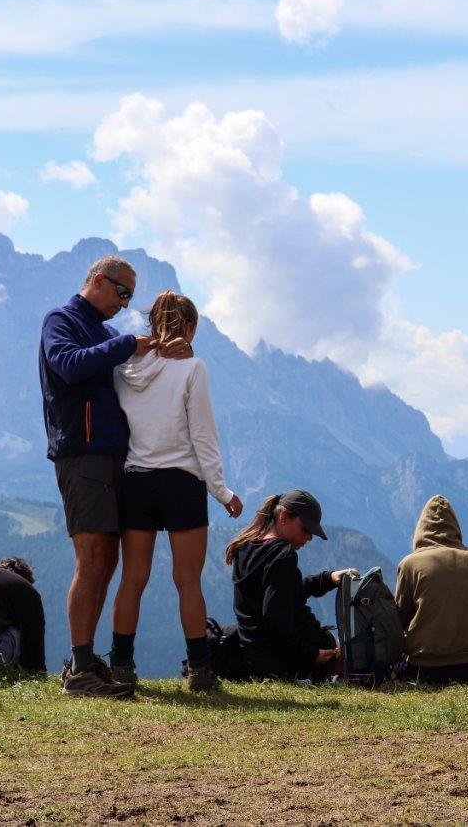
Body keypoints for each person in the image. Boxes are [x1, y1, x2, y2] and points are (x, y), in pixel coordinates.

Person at [40, 254, 191, 698]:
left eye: (130, 297)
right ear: (99, 281)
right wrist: (129, 344)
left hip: (110, 458)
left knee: (106, 561)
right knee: (91, 560)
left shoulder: (106, 332)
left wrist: (167, 353)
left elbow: (134, 374)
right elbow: (68, 364)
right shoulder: (61, 319)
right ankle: (80, 669)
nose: (125, 304)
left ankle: (85, 662)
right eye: (122, 293)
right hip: (82, 454)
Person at [108, 291, 244, 692]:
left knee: (132, 578)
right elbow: (203, 435)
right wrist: (222, 491)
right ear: (187, 328)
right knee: (188, 581)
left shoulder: (124, 369)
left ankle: (120, 666)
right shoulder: (193, 369)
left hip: (136, 479)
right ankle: (200, 671)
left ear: (152, 325)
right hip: (181, 481)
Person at [225, 490, 357, 681]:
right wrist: (311, 654)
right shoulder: (282, 555)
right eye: (305, 529)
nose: (309, 537)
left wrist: (327, 579)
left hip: (254, 654)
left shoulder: (245, 548)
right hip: (284, 658)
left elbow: (283, 593)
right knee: (349, 655)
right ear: (284, 517)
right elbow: (275, 617)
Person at [395, 494, 468, 685]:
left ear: (421, 529)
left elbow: (399, 619)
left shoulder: (410, 564)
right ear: (455, 527)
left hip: (425, 669)